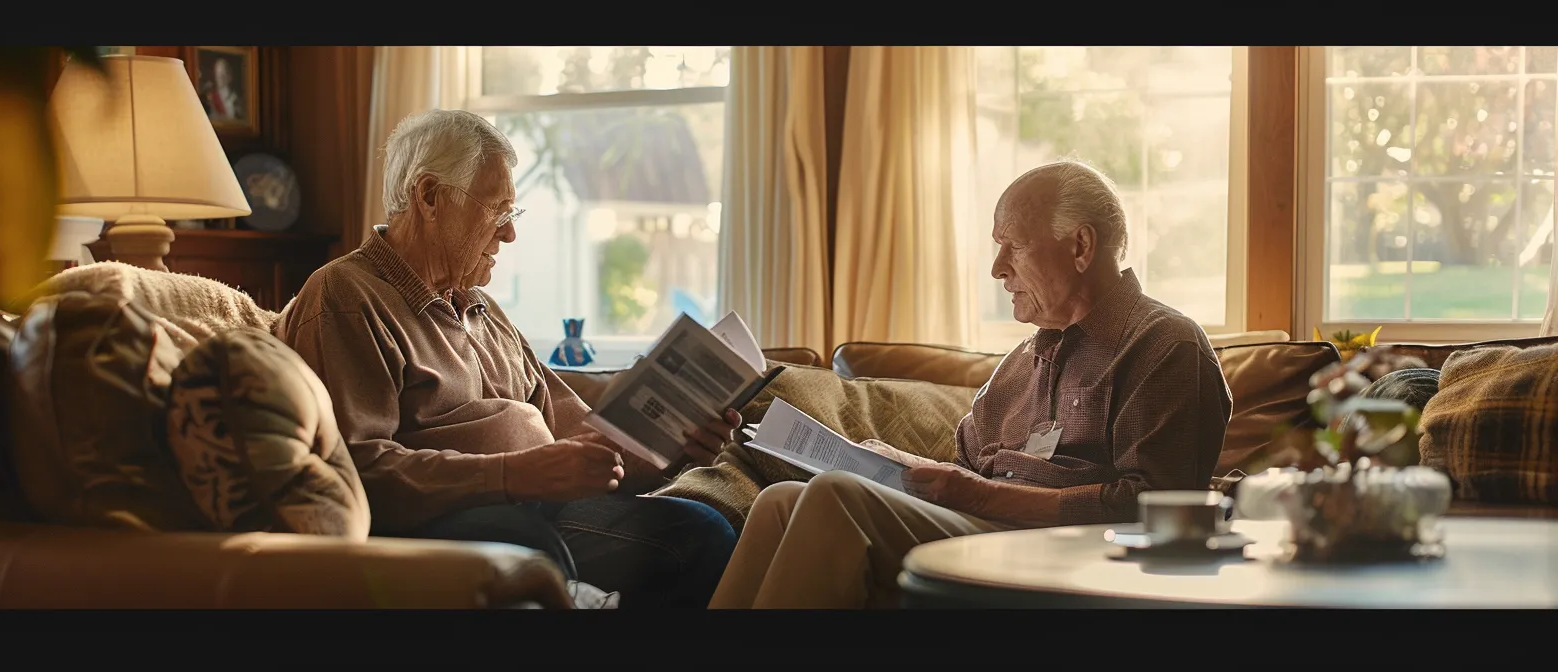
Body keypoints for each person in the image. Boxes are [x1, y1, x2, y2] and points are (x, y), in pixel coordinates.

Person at [708, 160, 1234, 609]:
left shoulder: (1163, 346)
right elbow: (965, 471)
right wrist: (903, 466)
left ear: (1081, 246)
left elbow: (1151, 504)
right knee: (779, 499)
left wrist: (982, 493)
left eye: (1014, 246)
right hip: (988, 529)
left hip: (1070, 549)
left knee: (834, 496)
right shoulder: (1022, 361)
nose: (996, 268)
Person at [275, 109, 738, 609]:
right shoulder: (346, 294)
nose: (509, 235)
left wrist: (672, 445)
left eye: (510, 215)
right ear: (429, 196)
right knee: (520, 541)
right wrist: (512, 475)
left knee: (701, 531)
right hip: (449, 520)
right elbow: (357, 467)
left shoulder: (483, 308)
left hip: (546, 508)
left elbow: (587, 447)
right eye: (497, 210)